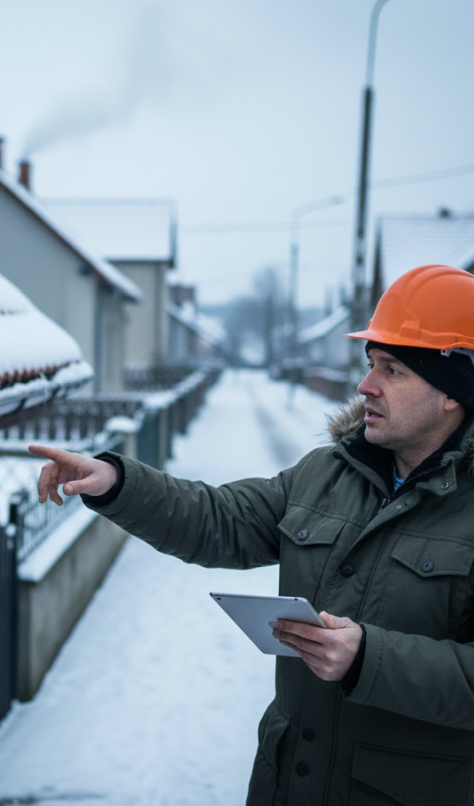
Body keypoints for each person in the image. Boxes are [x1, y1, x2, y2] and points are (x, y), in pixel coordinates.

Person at [29, 264, 474, 805]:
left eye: (394, 370)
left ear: (453, 392)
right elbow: (221, 518)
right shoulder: (329, 473)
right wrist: (118, 483)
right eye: (370, 364)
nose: (365, 385)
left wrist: (367, 658)